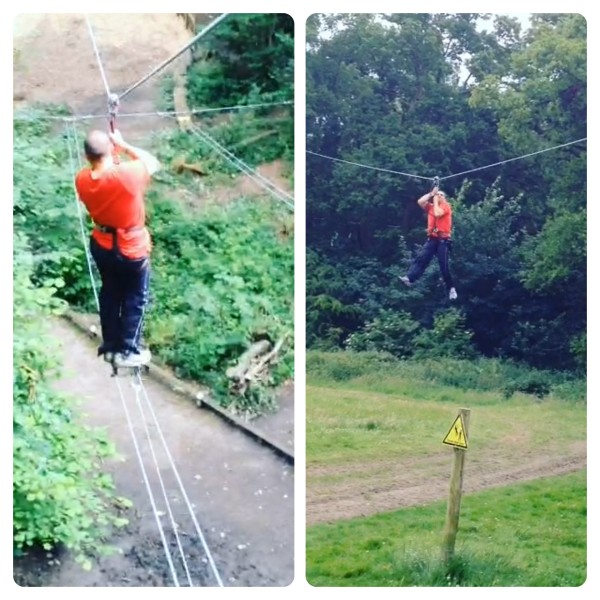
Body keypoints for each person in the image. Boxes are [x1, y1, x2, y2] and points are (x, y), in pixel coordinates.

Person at [75, 129, 160, 367]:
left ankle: (111, 345)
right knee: (136, 296)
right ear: (111, 151)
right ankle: (129, 349)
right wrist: (123, 144)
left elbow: (106, 173)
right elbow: (152, 162)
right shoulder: (126, 175)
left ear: (86, 156)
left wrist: (113, 151)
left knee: (111, 292)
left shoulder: (82, 179)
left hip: (102, 245)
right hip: (130, 248)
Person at [400, 186, 458, 300]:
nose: (439, 196)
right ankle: (410, 278)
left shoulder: (446, 206)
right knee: (422, 259)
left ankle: (451, 288)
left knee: (444, 266)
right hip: (433, 238)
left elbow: (437, 213)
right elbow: (420, 201)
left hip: (443, 240)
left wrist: (436, 200)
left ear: (445, 198)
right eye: (438, 194)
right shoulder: (431, 207)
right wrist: (432, 194)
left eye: (442, 195)